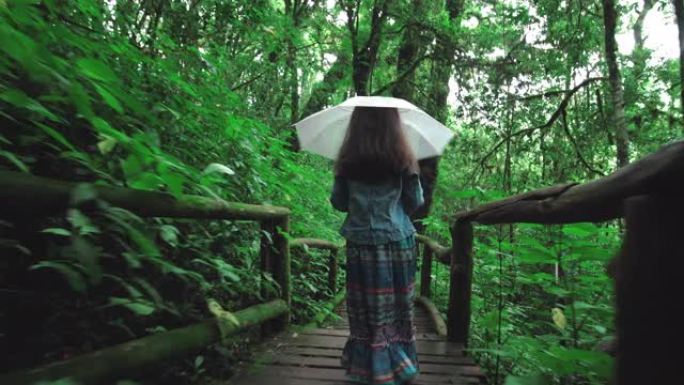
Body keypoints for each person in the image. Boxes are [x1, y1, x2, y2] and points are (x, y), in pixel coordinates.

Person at [330, 106, 424, 385]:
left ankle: (366, 368)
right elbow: (415, 201)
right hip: (397, 240)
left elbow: (339, 202)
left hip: (361, 243)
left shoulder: (347, 161)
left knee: (364, 307)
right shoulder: (403, 160)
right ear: (394, 125)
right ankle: (399, 366)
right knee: (397, 306)